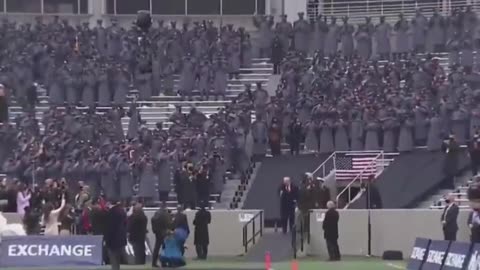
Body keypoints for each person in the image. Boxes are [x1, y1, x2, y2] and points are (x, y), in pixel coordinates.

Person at [104, 200, 127, 270]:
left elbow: (110, 228)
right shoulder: (121, 210)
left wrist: (106, 240)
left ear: (109, 203)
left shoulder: (111, 212)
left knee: (114, 260)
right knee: (117, 260)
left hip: (113, 240)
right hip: (121, 239)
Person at [151, 203, 172, 268]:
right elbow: (168, 223)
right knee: (165, 248)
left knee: (157, 248)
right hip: (164, 232)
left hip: (158, 232)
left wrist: (154, 230)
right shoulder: (165, 214)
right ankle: (164, 262)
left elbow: (152, 220)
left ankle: (154, 263)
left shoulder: (156, 213)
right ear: (165, 207)